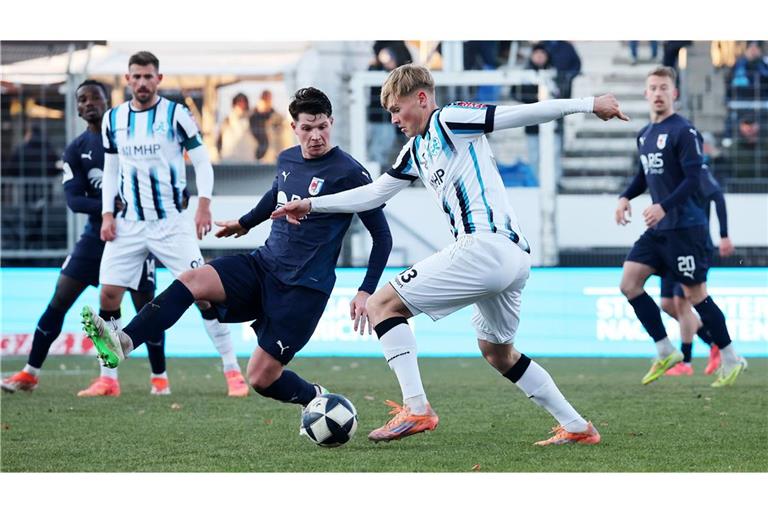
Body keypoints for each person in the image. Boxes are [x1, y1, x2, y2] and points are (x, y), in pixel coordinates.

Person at [273, 64, 629, 445]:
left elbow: (519, 114)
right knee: (497, 352)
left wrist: (589, 104)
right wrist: (312, 204)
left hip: (485, 247)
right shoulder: (415, 150)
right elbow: (374, 194)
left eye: (397, 109)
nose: (394, 119)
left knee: (381, 306)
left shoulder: (448, 120)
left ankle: (417, 408)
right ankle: (577, 427)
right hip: (511, 258)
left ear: (422, 99)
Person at [80, 87, 392, 417]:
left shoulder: (350, 173)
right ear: (293, 128)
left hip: (303, 290)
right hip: (263, 266)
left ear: (331, 122)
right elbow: (277, 193)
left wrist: (365, 291)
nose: (316, 136)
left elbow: (382, 237)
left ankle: (316, 397)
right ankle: (124, 342)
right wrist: (245, 223)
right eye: (307, 128)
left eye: (322, 127)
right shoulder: (287, 158)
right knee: (193, 280)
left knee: (260, 378)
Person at [87, 51, 248, 397]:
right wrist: (106, 214)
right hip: (129, 222)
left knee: (203, 294)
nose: (142, 82)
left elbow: (203, 163)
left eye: (148, 76)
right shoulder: (113, 119)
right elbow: (112, 170)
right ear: (127, 80)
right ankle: (107, 380)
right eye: (136, 76)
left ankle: (232, 370)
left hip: (172, 222)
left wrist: (204, 204)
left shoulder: (177, 115)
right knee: (109, 293)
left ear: (158, 79)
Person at [1, 80, 165, 397]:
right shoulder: (76, 149)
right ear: (77, 108)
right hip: (95, 238)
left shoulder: (129, 139)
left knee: (146, 306)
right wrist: (108, 207)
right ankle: (30, 373)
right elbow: (73, 199)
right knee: (59, 299)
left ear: (108, 102)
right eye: (83, 99)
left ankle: (160, 378)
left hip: (133, 236)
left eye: (95, 97)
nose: (89, 103)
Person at [614, 66, 747, 388]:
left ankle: (730, 356)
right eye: (653, 88)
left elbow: (692, 180)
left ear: (673, 94)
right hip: (660, 230)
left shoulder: (684, 132)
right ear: (646, 94)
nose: (658, 93)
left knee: (695, 295)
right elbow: (645, 176)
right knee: (629, 283)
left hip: (686, 228)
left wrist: (663, 206)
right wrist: (625, 196)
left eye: (664, 88)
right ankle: (665, 350)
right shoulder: (644, 134)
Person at [660, 166, 733, 377]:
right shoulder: (667, 169)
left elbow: (717, 197)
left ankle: (686, 362)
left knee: (682, 301)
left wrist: (724, 235)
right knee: (667, 305)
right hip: (669, 241)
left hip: (692, 243)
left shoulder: (697, 170)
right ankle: (713, 343)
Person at [368, 41, 412, 169]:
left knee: (396, 148)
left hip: (396, 114)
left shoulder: (399, 49)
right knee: (381, 150)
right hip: (383, 115)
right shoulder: (384, 50)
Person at [216, 92, 258, 162]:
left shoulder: (252, 120)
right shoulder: (227, 120)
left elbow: (262, 140)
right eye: (239, 101)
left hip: (248, 163)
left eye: (243, 102)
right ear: (234, 103)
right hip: (229, 162)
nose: (241, 104)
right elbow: (219, 141)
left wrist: (257, 156)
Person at [249, 90, 283, 162]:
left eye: (269, 98)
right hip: (256, 155)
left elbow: (280, 134)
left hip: (272, 155)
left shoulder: (276, 117)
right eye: (265, 98)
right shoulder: (252, 116)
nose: (267, 101)